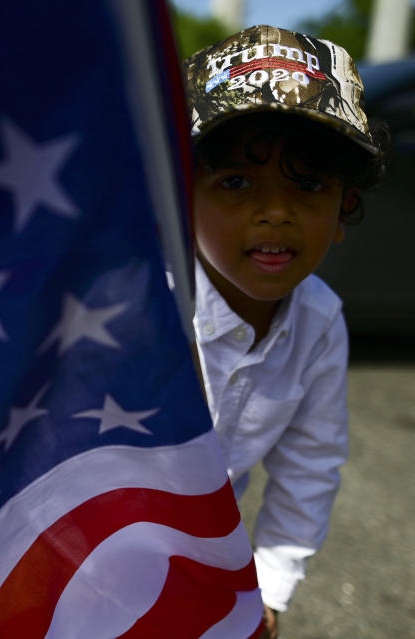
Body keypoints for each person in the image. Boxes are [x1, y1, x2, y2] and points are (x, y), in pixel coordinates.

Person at [182, 25, 388, 638]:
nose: (276, 211)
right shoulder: (143, 304)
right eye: (237, 182)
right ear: (181, 196)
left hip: (200, 565)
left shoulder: (320, 324)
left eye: (309, 184)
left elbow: (310, 467)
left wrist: (269, 586)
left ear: (344, 207)